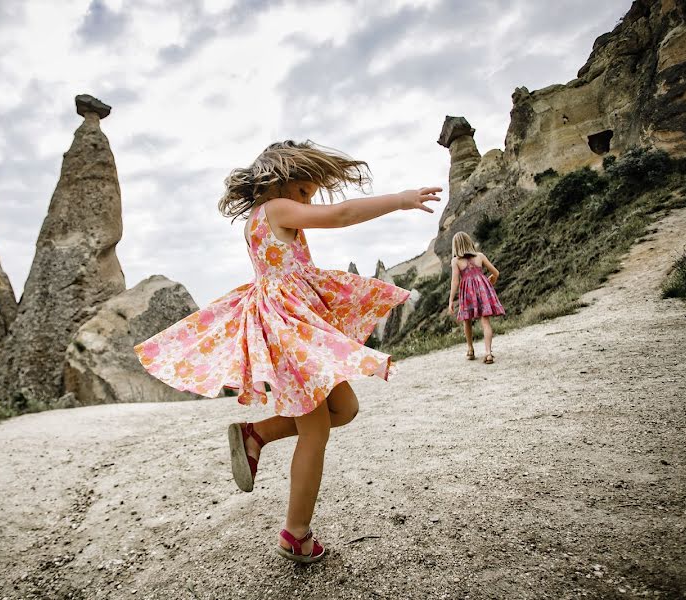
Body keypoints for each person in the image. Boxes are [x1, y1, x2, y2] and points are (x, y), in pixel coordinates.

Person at [134, 140, 441, 563]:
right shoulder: (276, 209)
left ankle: (255, 434)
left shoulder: (259, 219)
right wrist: (400, 200)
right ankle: (296, 535)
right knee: (315, 432)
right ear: (282, 180)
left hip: (292, 325)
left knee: (345, 409)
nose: (308, 202)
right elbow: (342, 214)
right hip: (287, 330)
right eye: (305, 193)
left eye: (310, 197)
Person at [446, 231, 504, 364]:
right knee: (485, 322)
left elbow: (455, 281)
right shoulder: (480, 256)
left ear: (456, 246)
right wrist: (491, 280)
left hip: (467, 292)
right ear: (469, 242)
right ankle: (488, 353)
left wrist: (450, 301)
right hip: (482, 289)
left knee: (467, 321)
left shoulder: (456, 261)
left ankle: (470, 349)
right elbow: (496, 272)